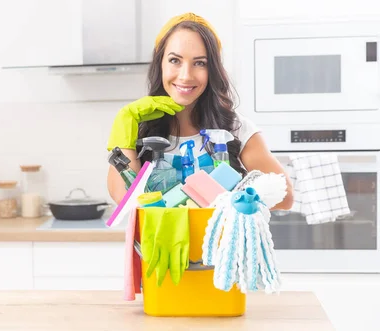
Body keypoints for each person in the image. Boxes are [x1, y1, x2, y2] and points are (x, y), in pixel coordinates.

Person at [106, 12, 293, 210]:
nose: (186, 76)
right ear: (160, 63)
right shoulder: (137, 128)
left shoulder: (235, 129)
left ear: (212, 70)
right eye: (175, 60)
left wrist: (231, 201)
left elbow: (286, 196)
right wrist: (125, 121)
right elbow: (125, 202)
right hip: (157, 242)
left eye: (199, 63)